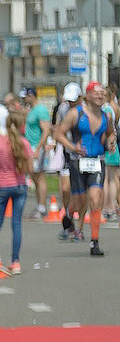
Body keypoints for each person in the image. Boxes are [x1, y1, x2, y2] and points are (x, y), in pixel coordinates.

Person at [61, 81, 110, 257]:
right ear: (87, 95)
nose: (100, 95)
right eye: (96, 93)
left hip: (97, 161)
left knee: (96, 199)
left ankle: (94, 242)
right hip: (77, 162)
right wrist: (72, 147)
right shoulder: (76, 114)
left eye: (102, 93)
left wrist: (110, 141)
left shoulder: (106, 116)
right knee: (79, 201)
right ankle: (68, 214)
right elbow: (58, 133)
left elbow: (110, 133)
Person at [0, 111, 29, 273]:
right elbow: (29, 168)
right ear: (21, 126)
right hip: (19, 185)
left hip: (1, 186)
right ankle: (15, 261)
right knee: (16, 224)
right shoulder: (23, 143)